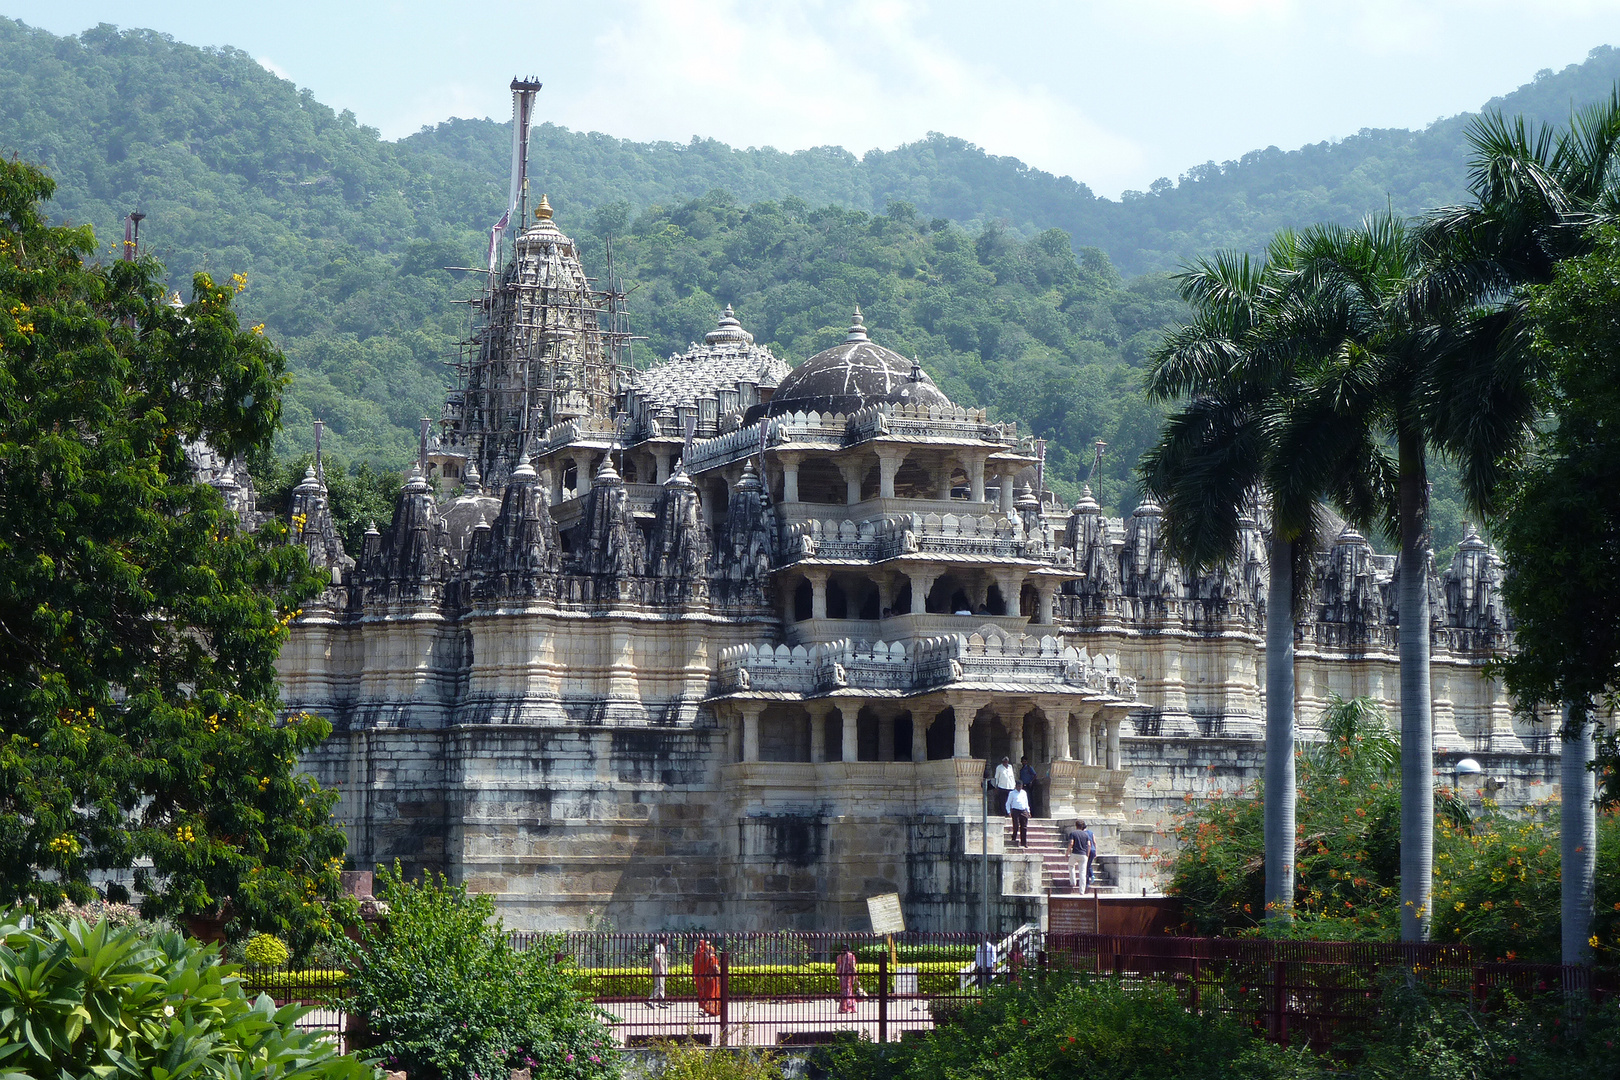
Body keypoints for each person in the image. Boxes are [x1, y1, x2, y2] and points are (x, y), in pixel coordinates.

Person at [694, 938, 721, 1016]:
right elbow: (715, 968)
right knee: (711, 994)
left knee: (709, 994)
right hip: (711, 979)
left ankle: (709, 1010)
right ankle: (711, 1010)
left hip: (706, 979)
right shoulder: (711, 958)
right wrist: (719, 975)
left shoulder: (704, 957)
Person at [1065, 818, 1094, 892]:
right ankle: (1082, 891)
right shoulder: (1086, 834)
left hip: (1075, 853)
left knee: (1071, 865)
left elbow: (1071, 843)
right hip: (1083, 854)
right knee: (1083, 872)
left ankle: (1073, 882)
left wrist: (1067, 852)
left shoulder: (1073, 833)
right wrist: (1087, 854)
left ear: (1076, 826)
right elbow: (1089, 845)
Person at [835, 944, 859, 1013]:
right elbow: (853, 967)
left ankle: (843, 1007)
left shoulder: (839, 957)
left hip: (842, 976)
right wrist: (856, 978)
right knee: (849, 991)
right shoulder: (851, 956)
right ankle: (849, 1007)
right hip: (849, 976)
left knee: (843, 992)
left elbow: (837, 967)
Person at [649, 935, 669, 1008]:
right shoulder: (660, 947)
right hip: (659, 970)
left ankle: (661, 1002)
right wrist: (660, 967)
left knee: (662, 986)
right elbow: (656, 957)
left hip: (661, 970)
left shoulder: (661, 947)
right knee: (660, 986)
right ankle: (650, 1000)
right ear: (665, 941)